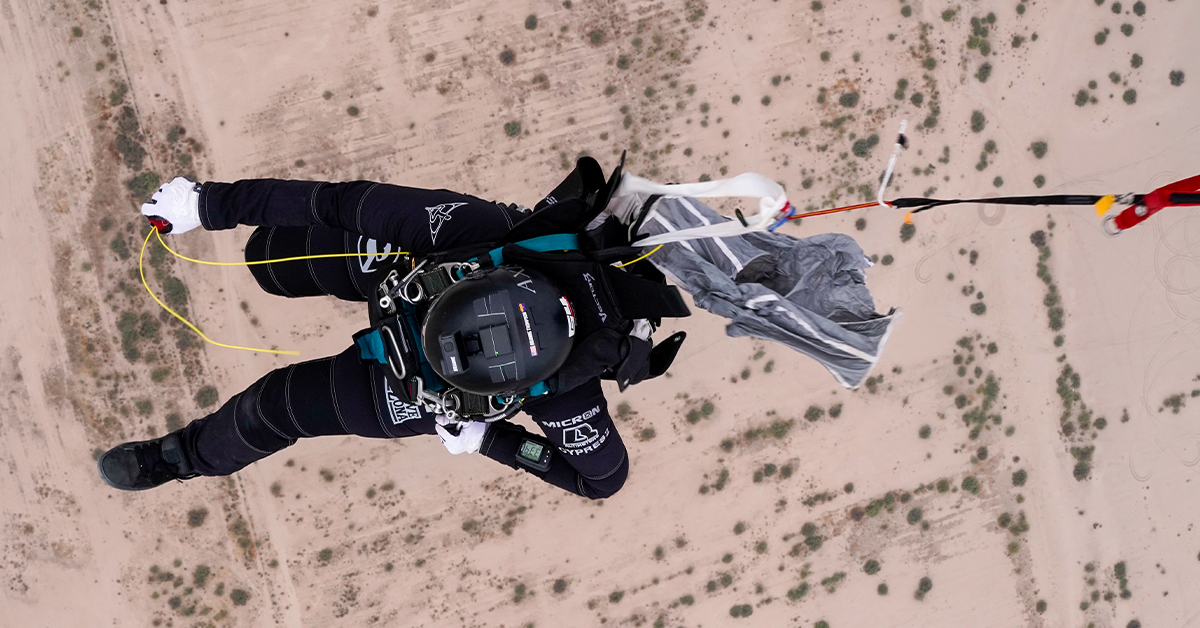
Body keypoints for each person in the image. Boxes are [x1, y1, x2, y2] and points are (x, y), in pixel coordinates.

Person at [97, 174, 682, 499]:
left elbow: (603, 481)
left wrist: (484, 438)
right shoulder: (482, 236)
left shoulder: (563, 383)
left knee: (278, 404)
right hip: (411, 282)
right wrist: (209, 203)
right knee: (269, 262)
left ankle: (177, 459)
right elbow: (343, 203)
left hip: (421, 371)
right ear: (470, 279)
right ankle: (184, 454)